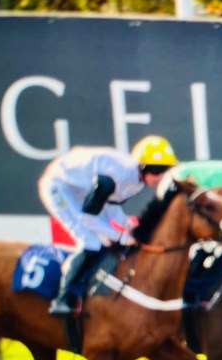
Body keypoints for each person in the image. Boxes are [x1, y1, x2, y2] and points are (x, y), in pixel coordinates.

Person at [38, 135, 178, 316]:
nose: (161, 177)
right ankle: (62, 299)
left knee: (106, 241)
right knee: (91, 242)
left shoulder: (137, 182)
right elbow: (88, 219)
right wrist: (121, 236)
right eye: (157, 170)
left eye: (165, 170)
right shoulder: (114, 177)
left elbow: (111, 205)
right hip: (59, 186)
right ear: (142, 166)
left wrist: (126, 224)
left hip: (82, 190)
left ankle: (86, 289)